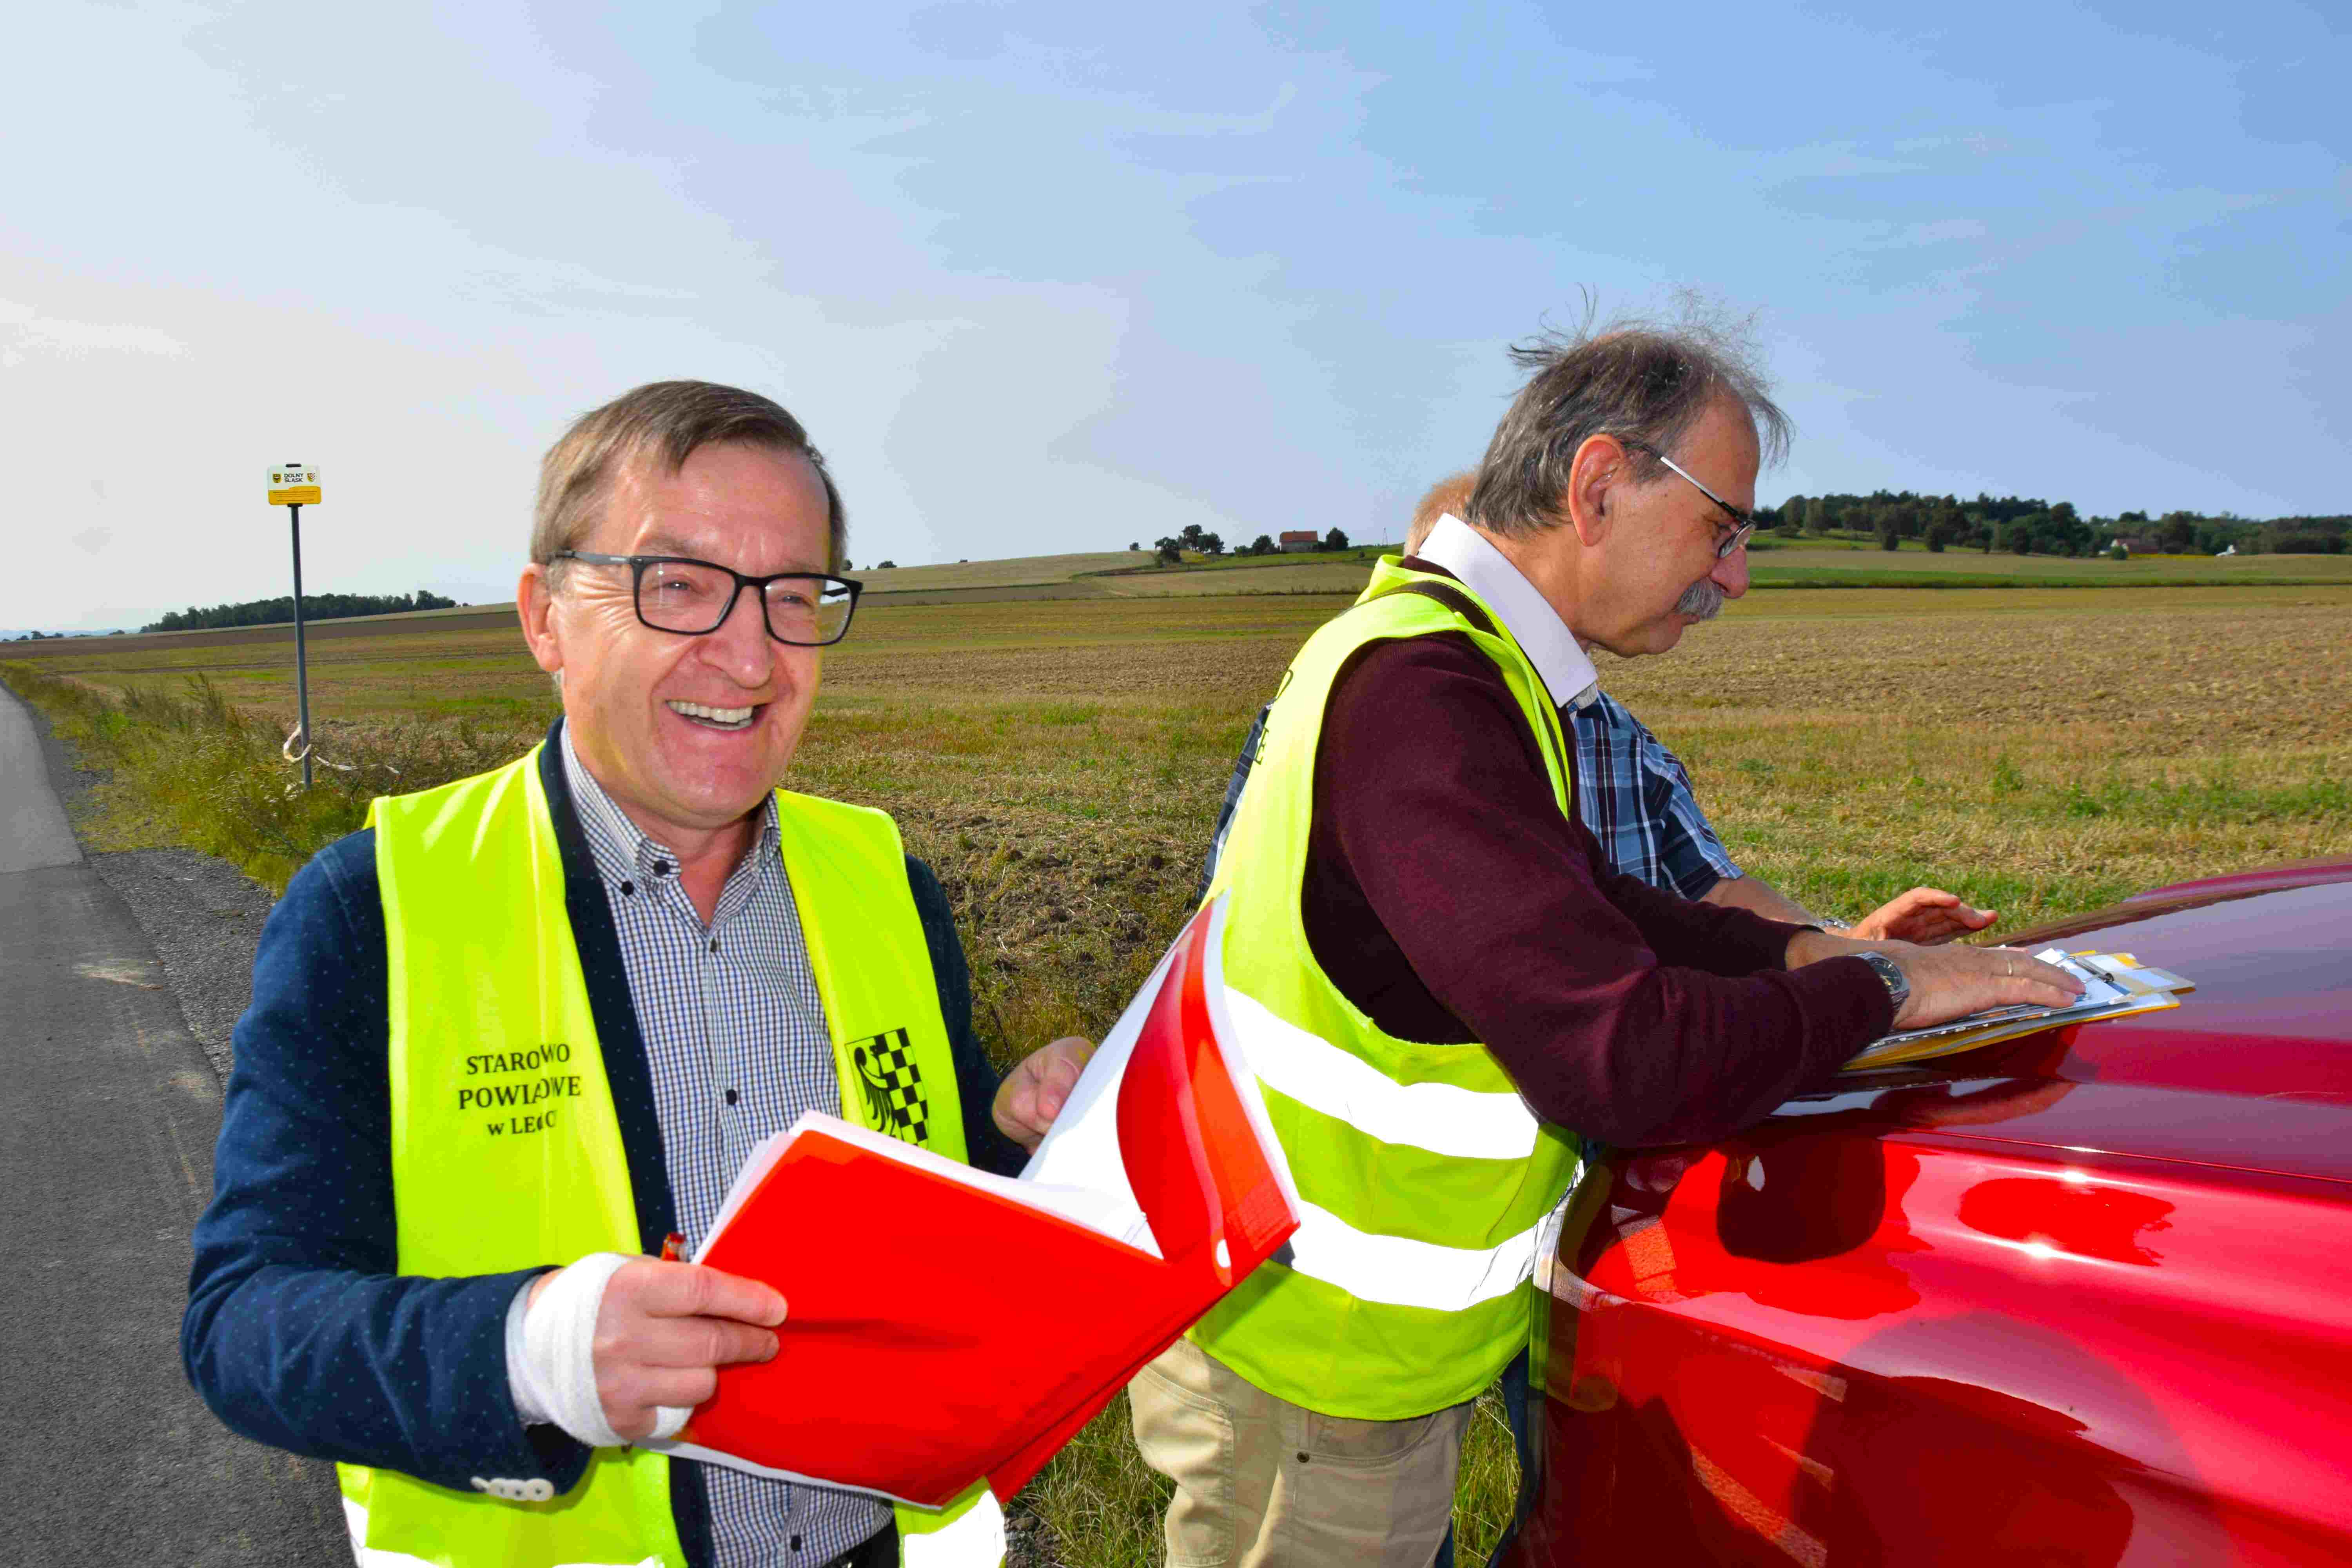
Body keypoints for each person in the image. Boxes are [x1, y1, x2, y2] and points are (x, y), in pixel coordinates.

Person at [1133, 319, 2080, 1568]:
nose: (1734, 573)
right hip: (1314, 1378)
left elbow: (1600, 909)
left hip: (1331, 1356)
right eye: (1723, 527)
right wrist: (1881, 990)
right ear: (1596, 487)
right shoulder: (1427, 693)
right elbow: (1620, 1060)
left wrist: (1805, 959)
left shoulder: (1460, 665)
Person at [183, 381, 1090, 1568]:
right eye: (680, 584)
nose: (752, 652)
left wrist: (1031, 1146)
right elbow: (246, 1323)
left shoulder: (886, 886)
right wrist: (534, 1349)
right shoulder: (376, 907)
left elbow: (931, 1194)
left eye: (795, 594)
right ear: (547, 618)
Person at [1200, 471, 1994, 944]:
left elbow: (1715, 889)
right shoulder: (1343, 721)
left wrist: (1846, 948)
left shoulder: (1614, 737)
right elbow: (1226, 936)